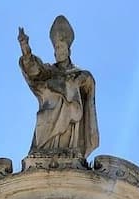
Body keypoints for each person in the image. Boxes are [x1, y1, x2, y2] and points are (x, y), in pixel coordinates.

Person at [17, 17, 98, 158]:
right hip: (48, 115)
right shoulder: (49, 71)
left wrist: (77, 82)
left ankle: (71, 150)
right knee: (49, 107)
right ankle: (43, 151)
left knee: (69, 93)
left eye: (61, 47)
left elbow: (88, 82)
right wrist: (26, 49)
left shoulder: (78, 73)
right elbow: (34, 70)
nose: (58, 51)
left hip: (72, 120)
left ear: (68, 50)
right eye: (56, 48)